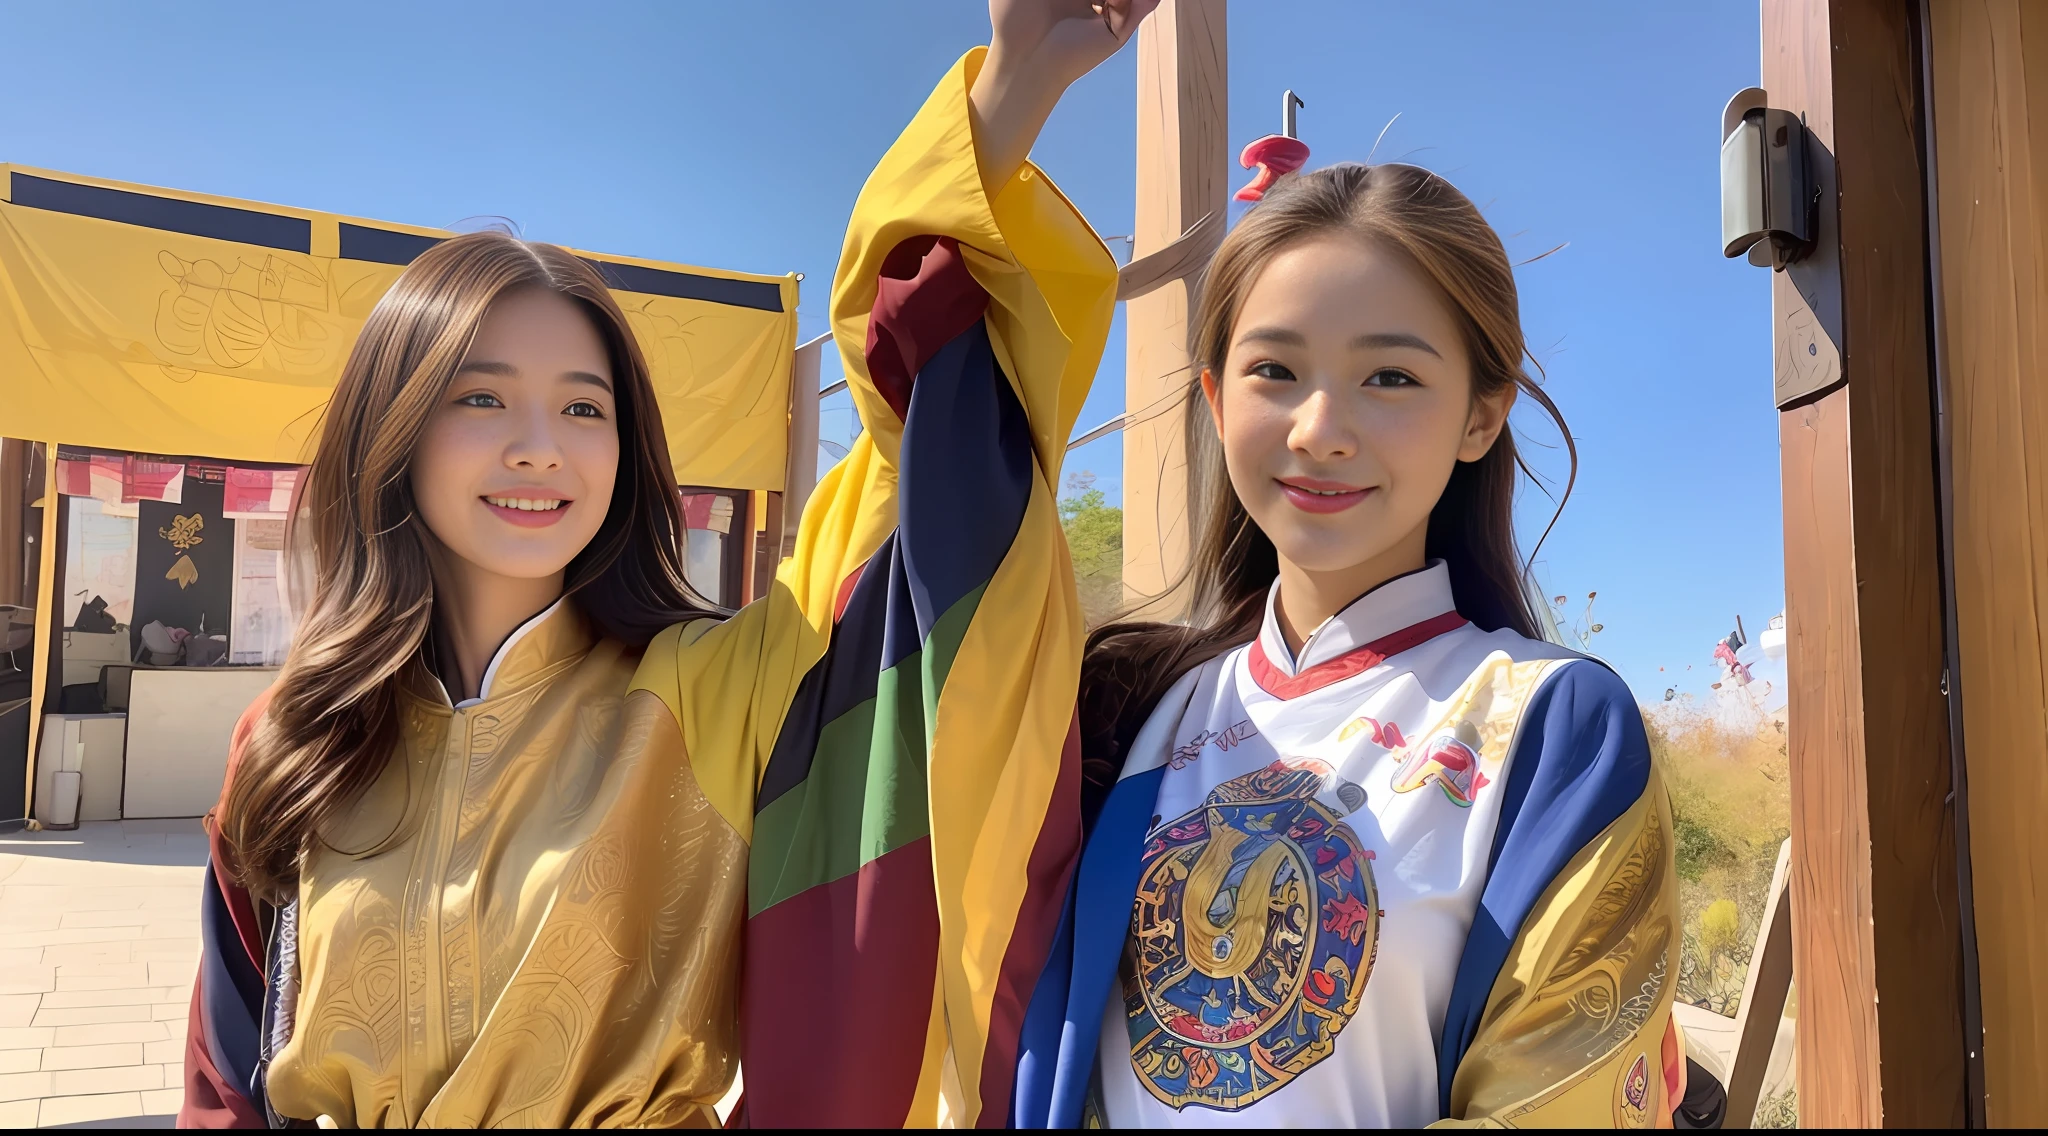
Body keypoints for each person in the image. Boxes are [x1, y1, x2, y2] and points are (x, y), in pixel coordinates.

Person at [179, 0, 1150, 1126]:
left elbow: (911, 450)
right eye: (480, 396)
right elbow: (224, 1073)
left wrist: (1009, 90)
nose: (538, 443)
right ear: (391, 430)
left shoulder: (709, 690)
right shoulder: (291, 737)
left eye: (582, 406)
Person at [1009, 163, 1687, 1127]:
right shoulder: (1125, 708)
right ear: (1215, 398)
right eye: (1275, 371)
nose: (1320, 430)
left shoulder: (1554, 730)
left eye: (1391, 377)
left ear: (1480, 418)